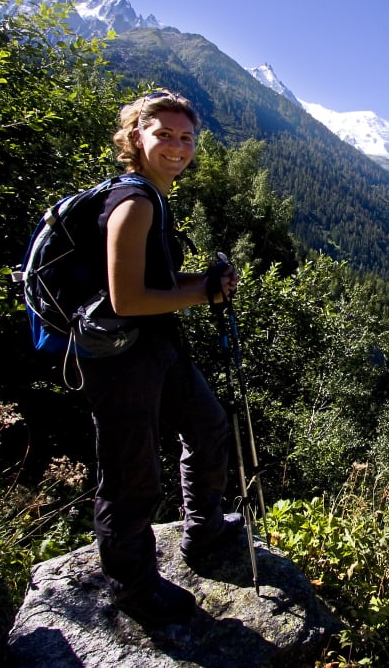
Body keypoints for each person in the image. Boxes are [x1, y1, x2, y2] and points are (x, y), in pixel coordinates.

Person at [80, 90, 243, 627]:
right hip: (121, 358)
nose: (176, 146)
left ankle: (206, 528)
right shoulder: (134, 202)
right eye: (164, 135)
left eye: (186, 137)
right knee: (131, 475)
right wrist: (202, 294)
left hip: (154, 347)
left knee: (208, 424)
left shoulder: (153, 194)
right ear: (136, 138)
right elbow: (126, 299)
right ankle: (134, 588)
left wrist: (204, 284)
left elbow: (155, 283)